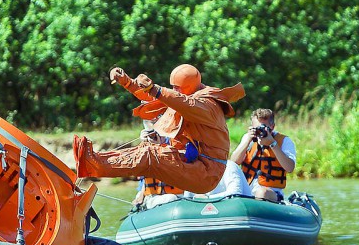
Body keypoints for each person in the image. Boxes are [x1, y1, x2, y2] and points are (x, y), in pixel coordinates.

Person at [73, 64, 245, 194]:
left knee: (150, 156)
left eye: (177, 87)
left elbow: (182, 102)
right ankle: (93, 161)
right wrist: (125, 81)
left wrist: (155, 89)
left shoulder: (206, 105)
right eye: (173, 87)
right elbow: (159, 98)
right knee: (147, 148)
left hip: (206, 173)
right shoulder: (189, 93)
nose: (175, 90)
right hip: (193, 163)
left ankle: (92, 165)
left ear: (189, 86)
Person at [230, 109, 296, 202]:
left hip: (271, 193)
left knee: (261, 193)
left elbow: (290, 168)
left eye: (263, 127)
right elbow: (233, 164)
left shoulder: (284, 141)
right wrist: (247, 141)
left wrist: (273, 144)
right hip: (246, 192)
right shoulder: (248, 138)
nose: (260, 131)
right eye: (256, 128)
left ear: (272, 127)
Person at [132, 120, 184, 209]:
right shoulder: (145, 151)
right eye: (152, 135)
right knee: (170, 198)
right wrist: (143, 144)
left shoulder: (175, 146)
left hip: (176, 195)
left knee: (172, 197)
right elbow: (143, 175)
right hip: (153, 196)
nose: (155, 137)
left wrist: (162, 145)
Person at [183, 160, 252, 199]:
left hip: (237, 213)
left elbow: (235, 193)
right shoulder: (195, 169)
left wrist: (207, 198)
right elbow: (187, 198)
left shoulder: (230, 166)